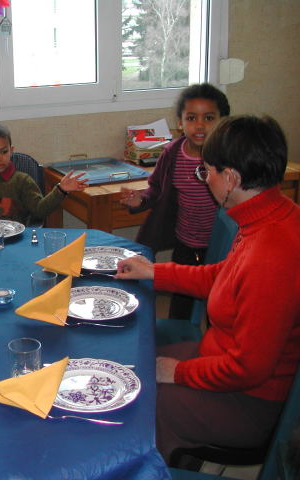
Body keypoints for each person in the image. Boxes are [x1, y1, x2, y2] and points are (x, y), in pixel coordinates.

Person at [115, 115, 300, 465]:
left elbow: (248, 369)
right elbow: (224, 277)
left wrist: (177, 373)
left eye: (207, 171)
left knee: (135, 401)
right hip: (223, 362)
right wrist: (154, 271)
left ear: (231, 179)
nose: (205, 178)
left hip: (250, 401)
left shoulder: (272, 254)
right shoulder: (270, 215)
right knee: (132, 361)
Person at [120, 83, 231, 319]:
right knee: (181, 300)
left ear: (222, 122)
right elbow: (156, 190)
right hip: (185, 242)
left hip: (221, 245)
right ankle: (179, 335)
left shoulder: (228, 156)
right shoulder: (172, 154)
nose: (199, 125)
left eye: (209, 118)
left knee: (220, 302)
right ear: (180, 123)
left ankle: (213, 339)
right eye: (191, 118)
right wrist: (139, 201)